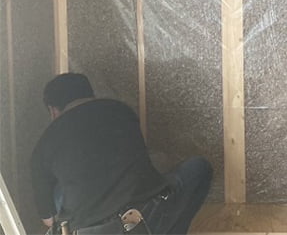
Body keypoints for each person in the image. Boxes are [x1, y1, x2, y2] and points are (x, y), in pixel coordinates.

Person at [30, 73, 212, 234]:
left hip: (89, 230)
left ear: (53, 110)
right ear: (91, 95)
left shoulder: (44, 144)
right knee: (199, 167)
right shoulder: (121, 110)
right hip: (145, 217)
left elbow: (49, 220)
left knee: (58, 191)